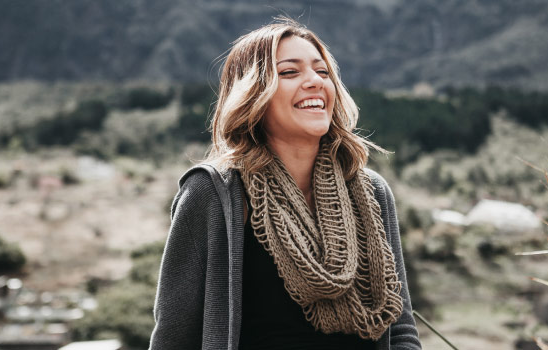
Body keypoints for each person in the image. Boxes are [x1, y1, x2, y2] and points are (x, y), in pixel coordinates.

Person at [149, 17, 422, 350]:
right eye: (290, 72)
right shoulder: (213, 193)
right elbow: (174, 338)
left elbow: (401, 331)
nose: (314, 82)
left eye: (322, 72)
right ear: (252, 94)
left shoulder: (371, 192)